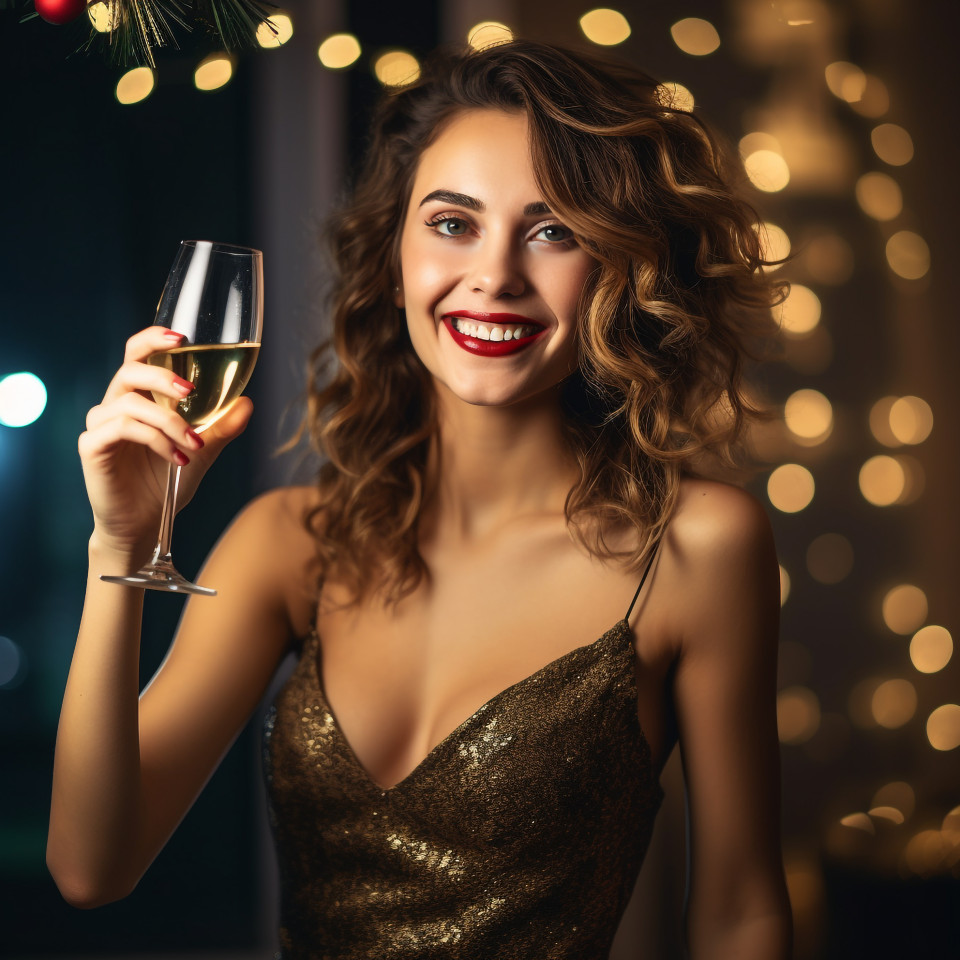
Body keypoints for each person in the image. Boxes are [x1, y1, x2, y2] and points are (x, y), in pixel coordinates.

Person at [48, 39, 792, 959]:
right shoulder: (290, 542)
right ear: (394, 252)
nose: (496, 275)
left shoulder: (695, 548)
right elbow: (91, 867)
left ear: (618, 267)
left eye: (554, 230)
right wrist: (117, 548)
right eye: (452, 223)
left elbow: (740, 910)